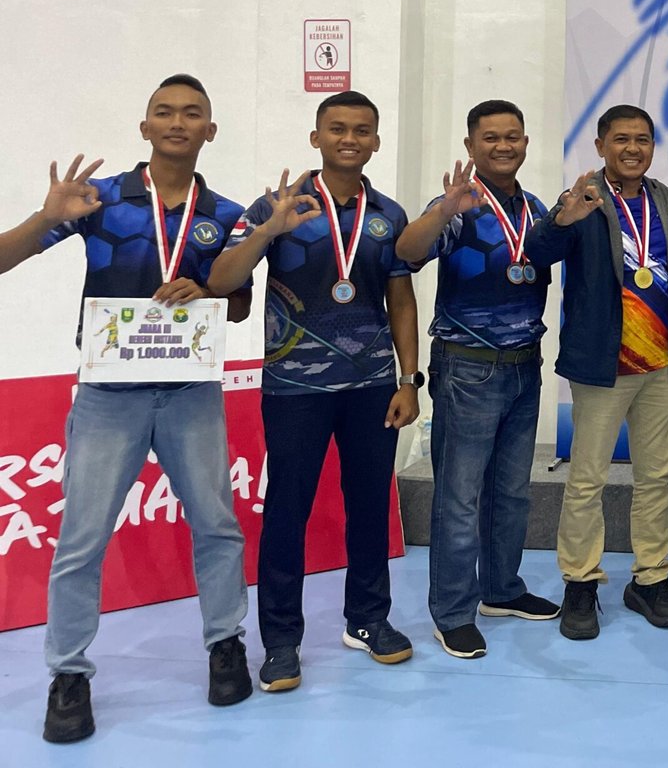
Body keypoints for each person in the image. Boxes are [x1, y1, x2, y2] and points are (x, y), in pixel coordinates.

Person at [0, 75, 254, 743]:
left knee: (217, 525)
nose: (177, 122)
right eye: (164, 112)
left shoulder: (228, 214)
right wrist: (44, 218)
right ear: (145, 128)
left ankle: (225, 644)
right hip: (108, 396)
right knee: (82, 538)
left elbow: (239, 305)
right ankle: (68, 674)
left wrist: (205, 290)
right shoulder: (98, 200)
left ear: (210, 130)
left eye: (192, 113)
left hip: (189, 394)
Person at [208, 90, 421, 692]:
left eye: (361, 129)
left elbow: (401, 300)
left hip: (372, 386)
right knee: (287, 511)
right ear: (316, 137)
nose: (349, 138)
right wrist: (267, 231)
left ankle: (368, 619)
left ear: (375, 141)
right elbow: (222, 280)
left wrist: (409, 379)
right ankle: (280, 641)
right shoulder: (276, 205)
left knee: (369, 507)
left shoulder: (389, 214)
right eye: (337, 128)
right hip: (293, 388)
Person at [525, 104, 668, 640]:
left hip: (661, 366)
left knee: (657, 478)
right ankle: (581, 581)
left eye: (642, 139)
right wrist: (562, 219)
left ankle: (650, 579)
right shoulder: (582, 198)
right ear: (601, 145)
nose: (633, 148)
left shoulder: (665, 200)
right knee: (587, 480)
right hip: (602, 366)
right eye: (621, 139)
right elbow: (537, 253)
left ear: (652, 147)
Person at [393, 100, 561, 660]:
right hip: (468, 367)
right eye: (490, 137)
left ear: (525, 143)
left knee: (511, 492)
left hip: (525, 366)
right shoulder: (459, 205)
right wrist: (443, 210)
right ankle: (452, 613)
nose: (503, 146)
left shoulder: (535, 209)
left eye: (512, 136)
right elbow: (407, 253)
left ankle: (502, 589)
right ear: (470, 146)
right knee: (460, 497)